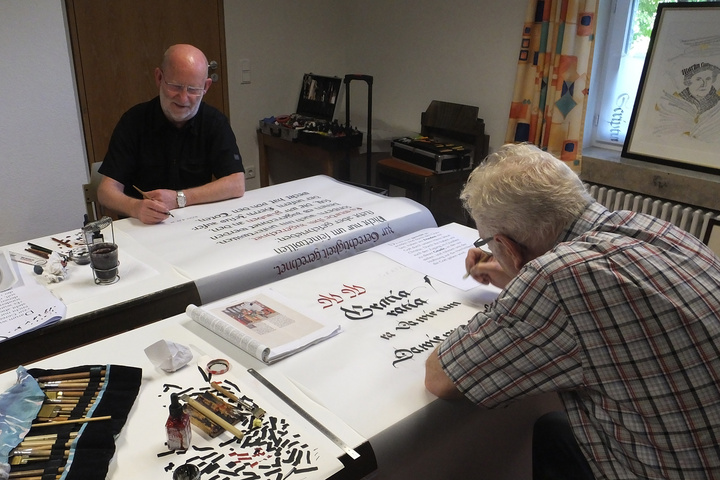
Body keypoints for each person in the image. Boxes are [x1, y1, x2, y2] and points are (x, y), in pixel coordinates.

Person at [424, 143, 720, 479]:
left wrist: (522, 286)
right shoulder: (650, 227)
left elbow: (442, 378)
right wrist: (516, 276)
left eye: (488, 242)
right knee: (554, 428)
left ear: (506, 246)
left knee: (550, 431)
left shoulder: (556, 279)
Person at [98, 44, 245, 224]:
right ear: (159, 78)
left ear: (206, 86)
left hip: (195, 222)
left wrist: (179, 198)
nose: (183, 98)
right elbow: (105, 191)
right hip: (143, 225)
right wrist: (134, 207)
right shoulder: (133, 121)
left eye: (193, 89)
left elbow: (236, 183)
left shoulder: (214, 122)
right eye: (175, 86)